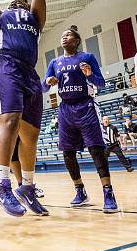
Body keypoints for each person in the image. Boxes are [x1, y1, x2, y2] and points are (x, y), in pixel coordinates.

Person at [0, 0, 49, 217]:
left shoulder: (35, 19)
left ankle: (27, 187)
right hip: (5, 66)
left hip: (29, 73)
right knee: (9, 121)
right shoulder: (0, 17)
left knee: (30, 135)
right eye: (13, 0)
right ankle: (2, 185)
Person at [42, 25, 118, 213]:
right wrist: (48, 82)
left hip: (86, 106)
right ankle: (80, 190)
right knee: (68, 153)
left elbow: (101, 82)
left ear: (77, 40)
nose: (64, 38)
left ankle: (108, 192)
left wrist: (89, 75)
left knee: (96, 149)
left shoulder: (87, 57)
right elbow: (43, 88)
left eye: (68, 35)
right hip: (66, 109)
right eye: (62, 35)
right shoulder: (55, 62)